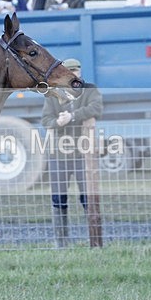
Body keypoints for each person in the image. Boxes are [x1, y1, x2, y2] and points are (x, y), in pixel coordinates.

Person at [41, 58, 103, 247]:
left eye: (76, 70)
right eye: (70, 71)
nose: (74, 74)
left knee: (88, 197)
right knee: (59, 199)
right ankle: (61, 243)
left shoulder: (90, 89)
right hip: (58, 155)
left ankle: (95, 241)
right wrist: (57, 123)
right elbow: (46, 120)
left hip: (84, 154)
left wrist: (72, 116)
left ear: (80, 71)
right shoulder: (53, 94)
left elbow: (97, 108)